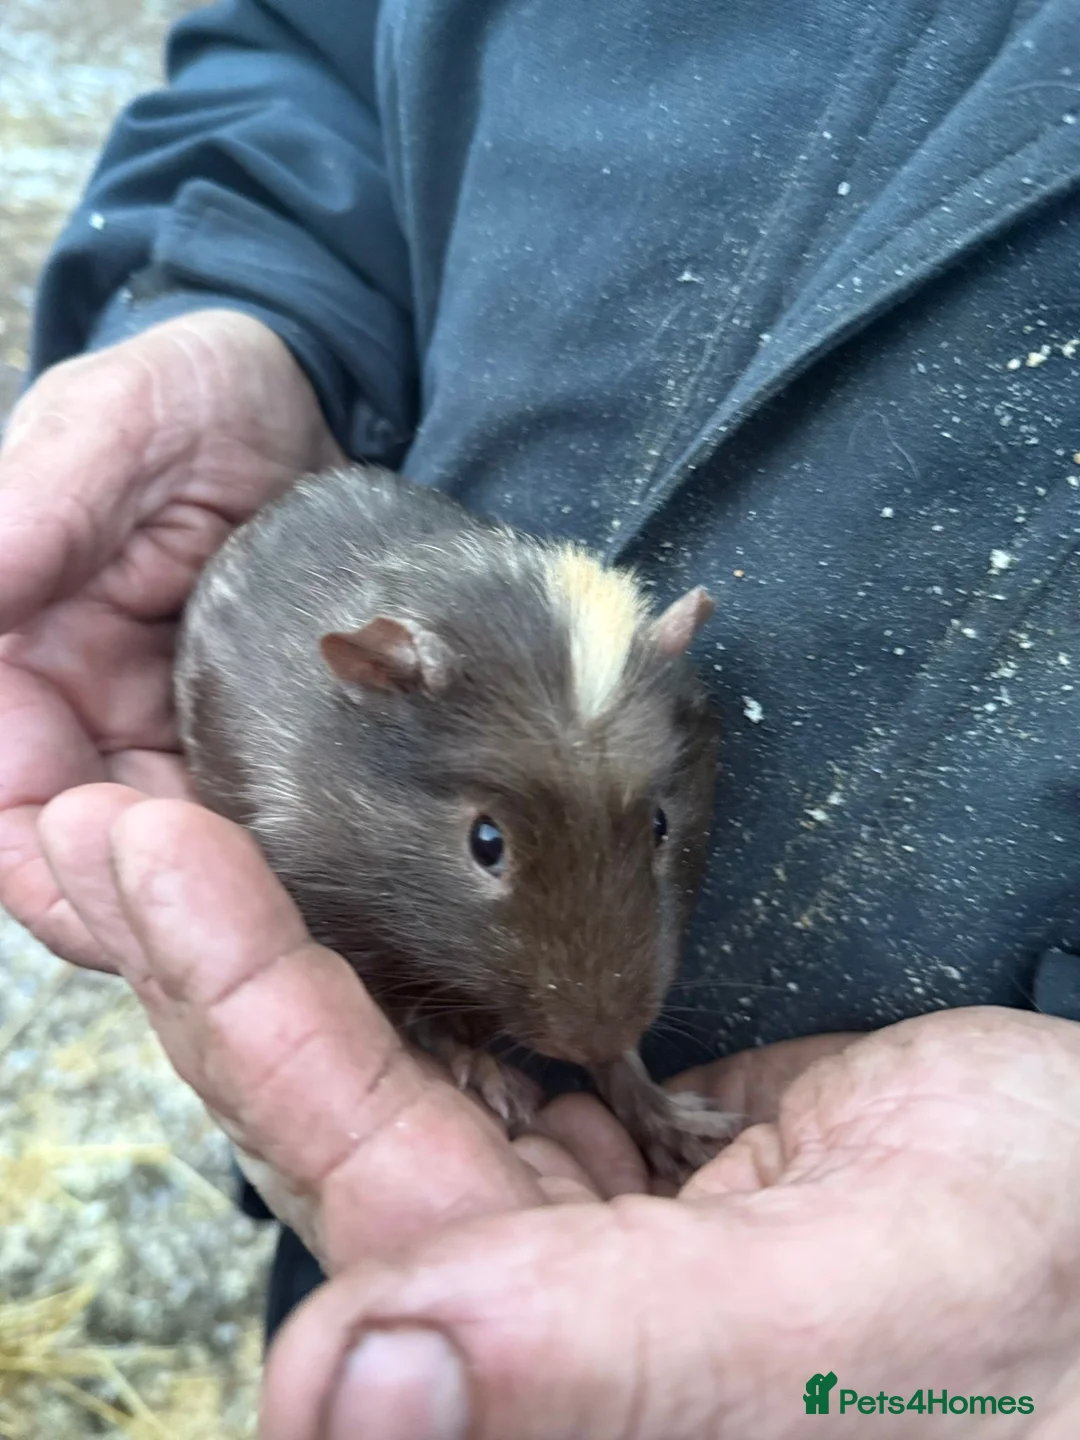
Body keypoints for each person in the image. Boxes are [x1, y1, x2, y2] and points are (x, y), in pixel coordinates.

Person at [3, 0, 1080, 1433]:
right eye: (490, 842)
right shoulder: (324, 762)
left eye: (653, 828)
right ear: (373, 681)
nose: (599, 981)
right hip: (423, 1171)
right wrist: (258, 301)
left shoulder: (644, 733)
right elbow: (305, 52)